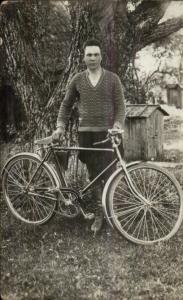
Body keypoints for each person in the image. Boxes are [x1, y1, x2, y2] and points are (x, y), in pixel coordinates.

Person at [52, 38, 126, 234]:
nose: (92, 58)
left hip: (108, 134)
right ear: (83, 57)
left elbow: (121, 107)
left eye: (96, 54)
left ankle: (111, 212)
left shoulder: (113, 79)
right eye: (89, 54)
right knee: (94, 176)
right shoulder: (77, 79)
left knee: (110, 173)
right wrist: (60, 126)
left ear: (101, 57)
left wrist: (117, 126)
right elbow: (66, 105)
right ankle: (101, 214)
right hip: (87, 134)